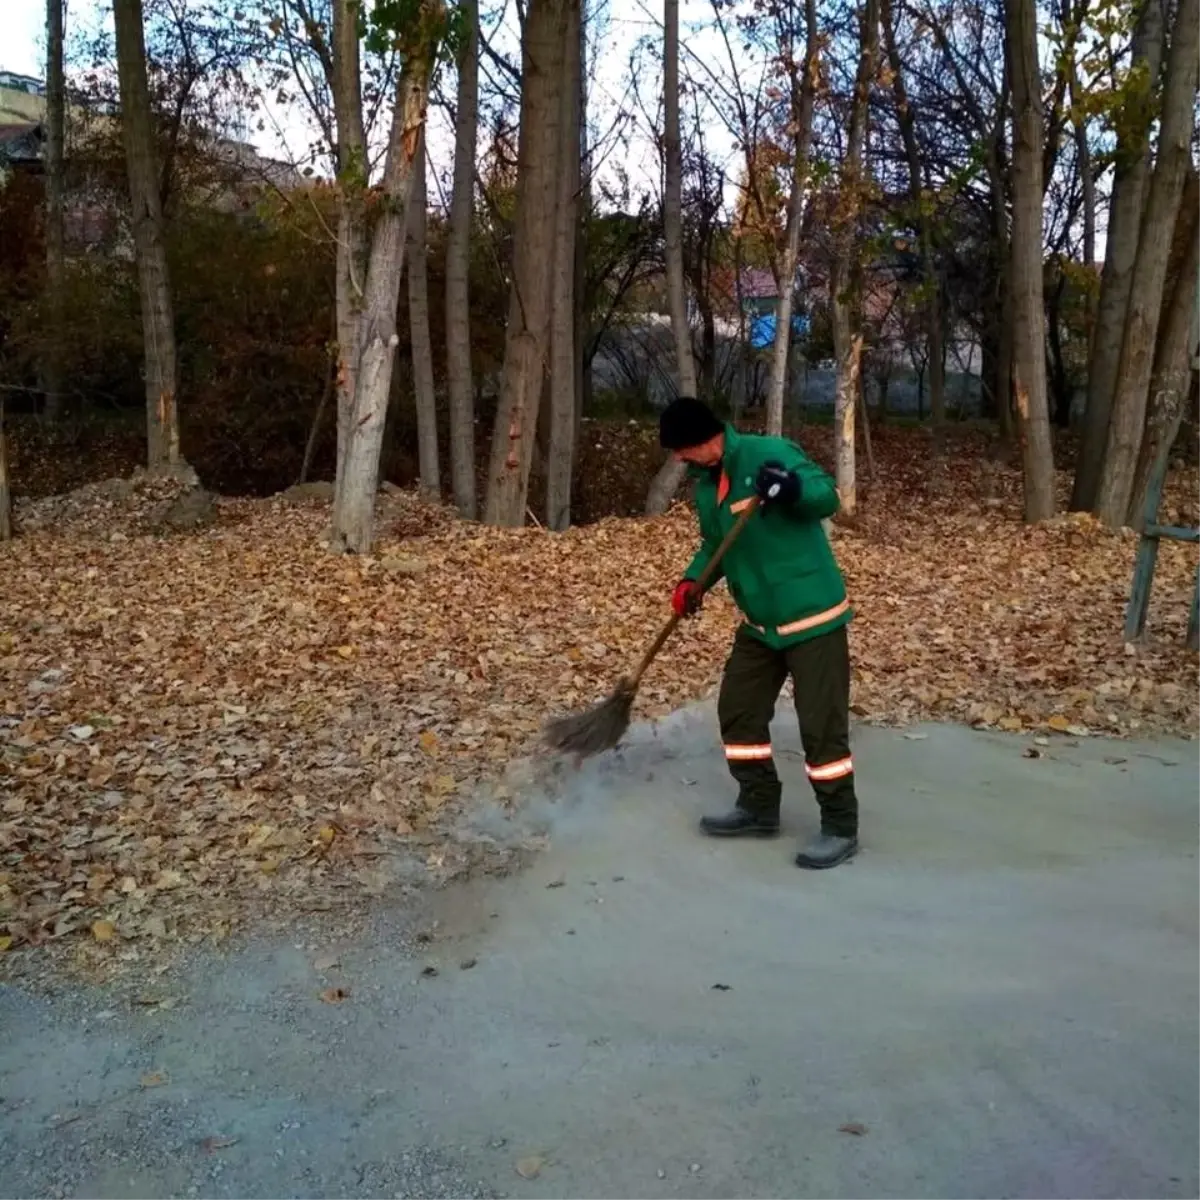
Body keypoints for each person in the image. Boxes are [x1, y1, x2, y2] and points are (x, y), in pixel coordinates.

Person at [659, 395, 860, 869]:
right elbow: (716, 542)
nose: (677, 459)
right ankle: (758, 805)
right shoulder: (708, 486)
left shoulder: (768, 453)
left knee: (820, 727)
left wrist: (790, 488)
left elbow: (825, 497)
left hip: (812, 617)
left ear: (704, 439)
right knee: (739, 710)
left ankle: (839, 825)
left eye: (681, 449)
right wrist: (695, 580)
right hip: (760, 623)